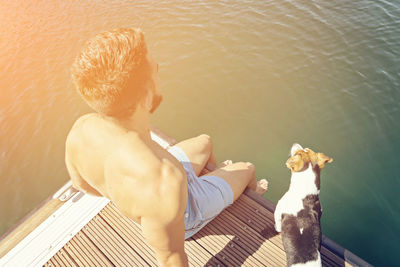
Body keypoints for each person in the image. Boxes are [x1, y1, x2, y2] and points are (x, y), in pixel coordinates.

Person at [65, 28, 268, 267]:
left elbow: (81, 184)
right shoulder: (163, 181)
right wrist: (160, 210)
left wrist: (126, 200)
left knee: (204, 141)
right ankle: (252, 193)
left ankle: (212, 180)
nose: (159, 73)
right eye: (156, 71)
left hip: (165, 186)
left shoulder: (81, 128)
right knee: (247, 168)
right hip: (184, 214)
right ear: (148, 95)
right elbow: (171, 258)